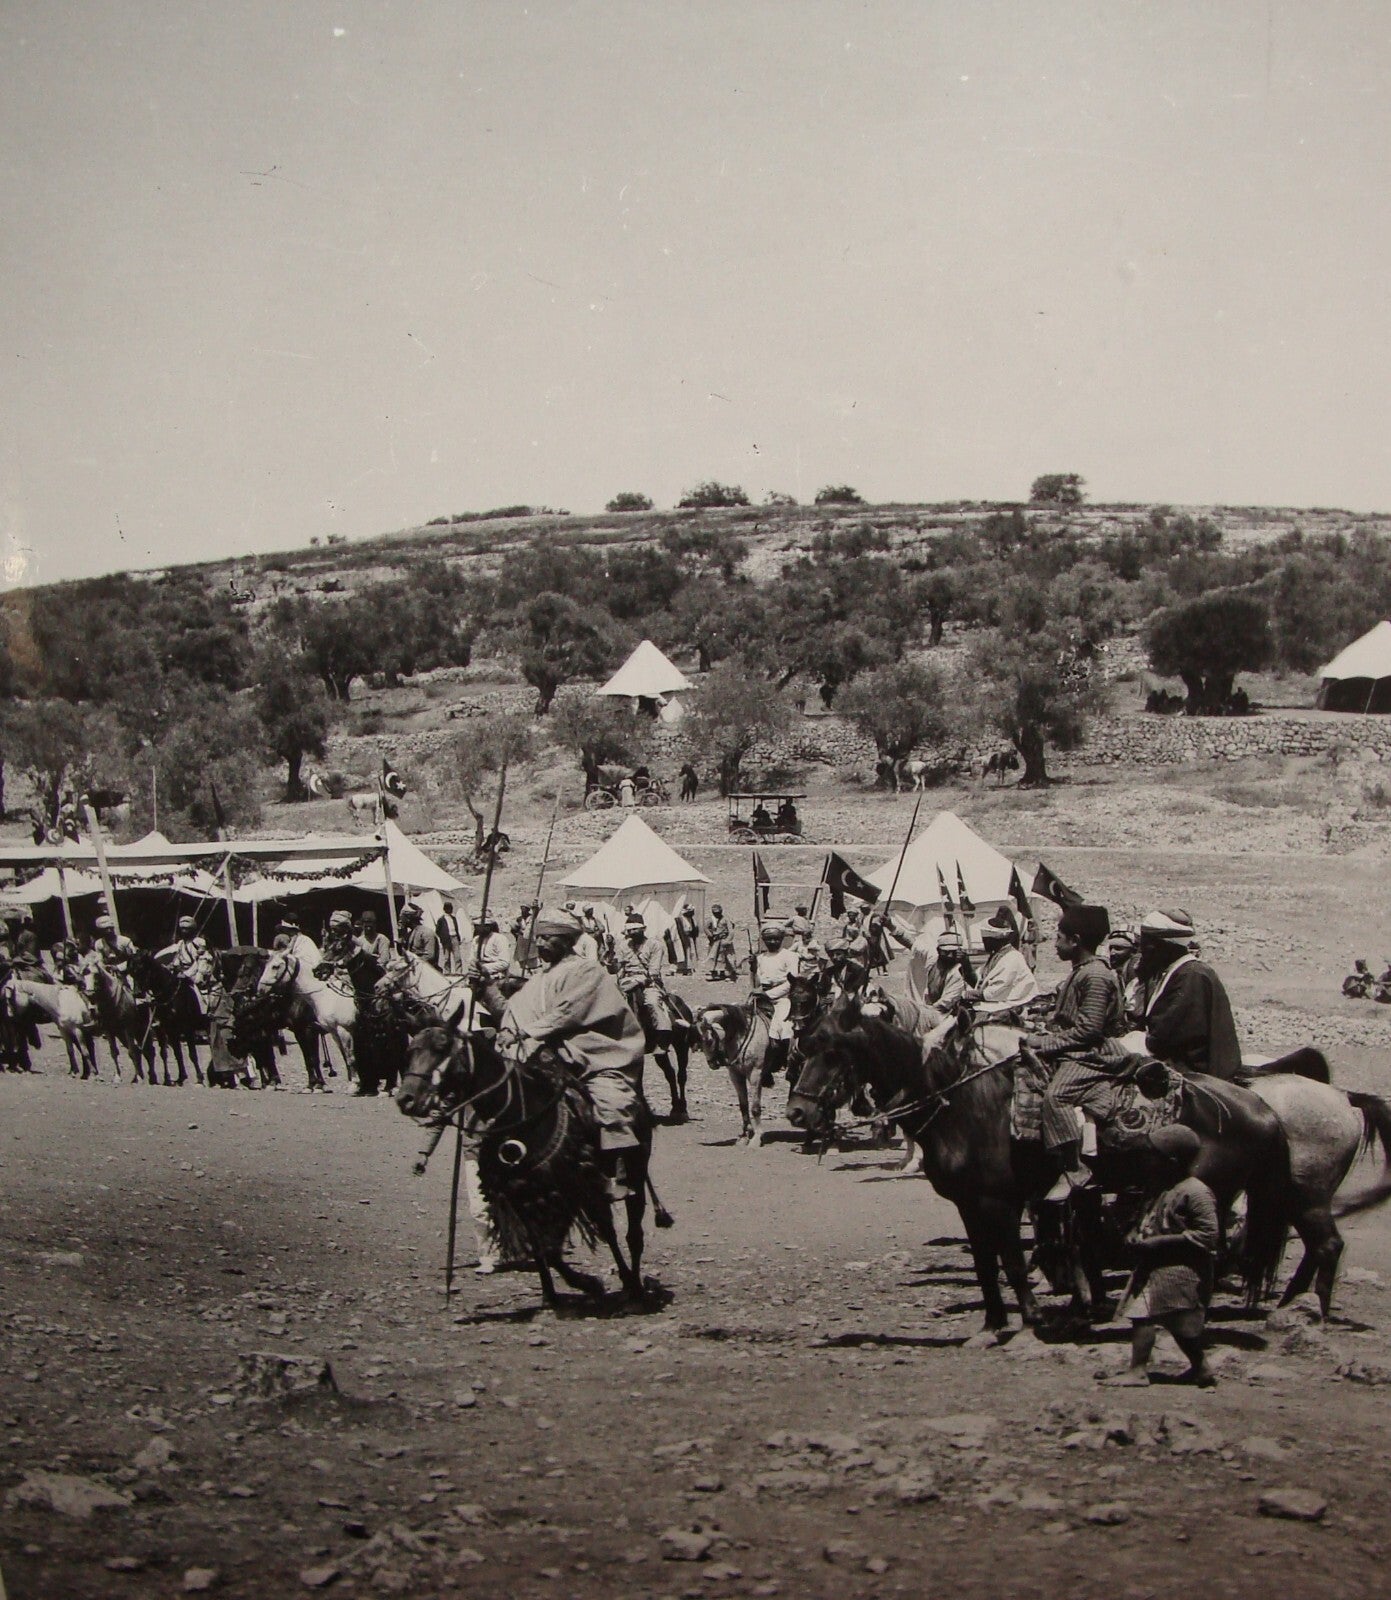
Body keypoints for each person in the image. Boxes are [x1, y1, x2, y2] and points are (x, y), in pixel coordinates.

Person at [495, 910, 648, 1199]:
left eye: (547, 938)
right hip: (545, 1047)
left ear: (566, 940)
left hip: (592, 1049)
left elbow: (568, 1013)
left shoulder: (586, 970)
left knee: (611, 1100)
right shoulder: (542, 975)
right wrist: (488, 993)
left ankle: (615, 1170)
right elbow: (517, 1007)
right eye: (538, 938)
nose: (539, 944)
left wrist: (526, 1031)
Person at [1022, 904, 1127, 1201]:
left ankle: (1075, 1167)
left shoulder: (1094, 975)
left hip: (1093, 1054)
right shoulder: (1080, 972)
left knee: (1057, 1096)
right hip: (1076, 1048)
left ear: (1076, 940)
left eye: (1059, 937)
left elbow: (1089, 1030)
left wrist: (1046, 1043)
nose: (1054, 944)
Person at [1108, 1125, 1219, 1389]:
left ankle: (1138, 1371)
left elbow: (1208, 1235)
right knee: (1168, 1320)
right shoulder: (1161, 1186)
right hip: (1156, 1266)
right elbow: (1149, 1217)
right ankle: (1201, 1368)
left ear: (1171, 1162)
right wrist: (1135, 1232)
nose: (1147, 1161)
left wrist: (1159, 1242)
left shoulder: (1196, 1192)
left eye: (1153, 1156)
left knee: (1156, 1317)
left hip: (1181, 1268)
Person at [1134, 910, 1242, 1081]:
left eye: (1147, 944)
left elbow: (1166, 1034)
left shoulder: (1191, 975)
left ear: (1162, 946)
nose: (1143, 951)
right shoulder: (1177, 972)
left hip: (1194, 1073)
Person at [615, 914, 676, 1084]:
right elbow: (617, 967)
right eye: (630, 930)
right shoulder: (623, 945)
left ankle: (662, 1039)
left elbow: (654, 971)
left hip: (648, 982)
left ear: (643, 929)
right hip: (626, 982)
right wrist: (608, 953)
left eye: (635, 929)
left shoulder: (654, 945)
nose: (632, 933)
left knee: (653, 1003)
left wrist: (637, 980)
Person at [965, 907, 1039, 1019]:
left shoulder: (1012, 958)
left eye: (985, 940)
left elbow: (994, 993)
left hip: (1013, 1003)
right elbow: (980, 981)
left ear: (993, 940)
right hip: (997, 1000)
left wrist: (966, 995)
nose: (984, 943)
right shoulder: (997, 955)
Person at [753, 922, 800, 1087]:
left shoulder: (790, 956)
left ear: (781, 939)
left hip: (782, 997)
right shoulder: (760, 958)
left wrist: (769, 994)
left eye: (775, 939)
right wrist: (753, 971)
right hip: (761, 996)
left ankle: (785, 1062)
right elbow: (756, 982)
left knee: (783, 1027)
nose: (772, 942)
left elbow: (791, 982)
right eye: (768, 939)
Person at [155, 916, 215, 1011]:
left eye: (187, 929)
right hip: (182, 973)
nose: (184, 931)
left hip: (197, 972)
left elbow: (202, 959)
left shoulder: (199, 942)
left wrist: (188, 974)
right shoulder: (180, 944)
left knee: (199, 992)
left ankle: (205, 1011)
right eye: (182, 929)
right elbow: (177, 958)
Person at [474, 915, 517, 982]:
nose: (479, 929)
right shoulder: (476, 940)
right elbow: (472, 959)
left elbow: (505, 963)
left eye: (484, 926)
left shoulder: (499, 939)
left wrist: (485, 967)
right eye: (477, 926)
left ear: (489, 927)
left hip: (497, 976)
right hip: (478, 976)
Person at [705, 904, 738, 981]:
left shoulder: (726, 919)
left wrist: (727, 940)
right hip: (715, 941)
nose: (716, 914)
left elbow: (731, 930)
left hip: (724, 940)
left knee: (727, 957)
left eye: (718, 912)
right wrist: (710, 935)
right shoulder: (711, 919)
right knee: (713, 957)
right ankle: (714, 973)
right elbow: (706, 928)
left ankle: (727, 974)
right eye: (715, 913)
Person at [436, 901, 461, 974]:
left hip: (454, 937)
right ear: (445, 909)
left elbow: (457, 928)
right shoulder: (441, 919)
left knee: (457, 956)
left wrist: (458, 938)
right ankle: (447, 972)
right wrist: (443, 938)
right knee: (446, 957)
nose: (450, 910)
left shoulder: (453, 918)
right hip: (446, 939)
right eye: (448, 909)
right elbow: (437, 930)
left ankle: (458, 972)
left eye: (451, 908)